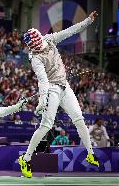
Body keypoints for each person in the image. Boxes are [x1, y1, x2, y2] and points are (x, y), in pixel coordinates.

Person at [18, 11, 99, 178]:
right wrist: (42, 100)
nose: (39, 45)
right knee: (46, 125)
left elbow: (70, 31)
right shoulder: (35, 58)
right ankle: (25, 159)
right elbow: (43, 81)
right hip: (52, 90)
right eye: (35, 45)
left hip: (65, 87)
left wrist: (87, 21)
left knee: (79, 118)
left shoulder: (49, 39)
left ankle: (90, 154)